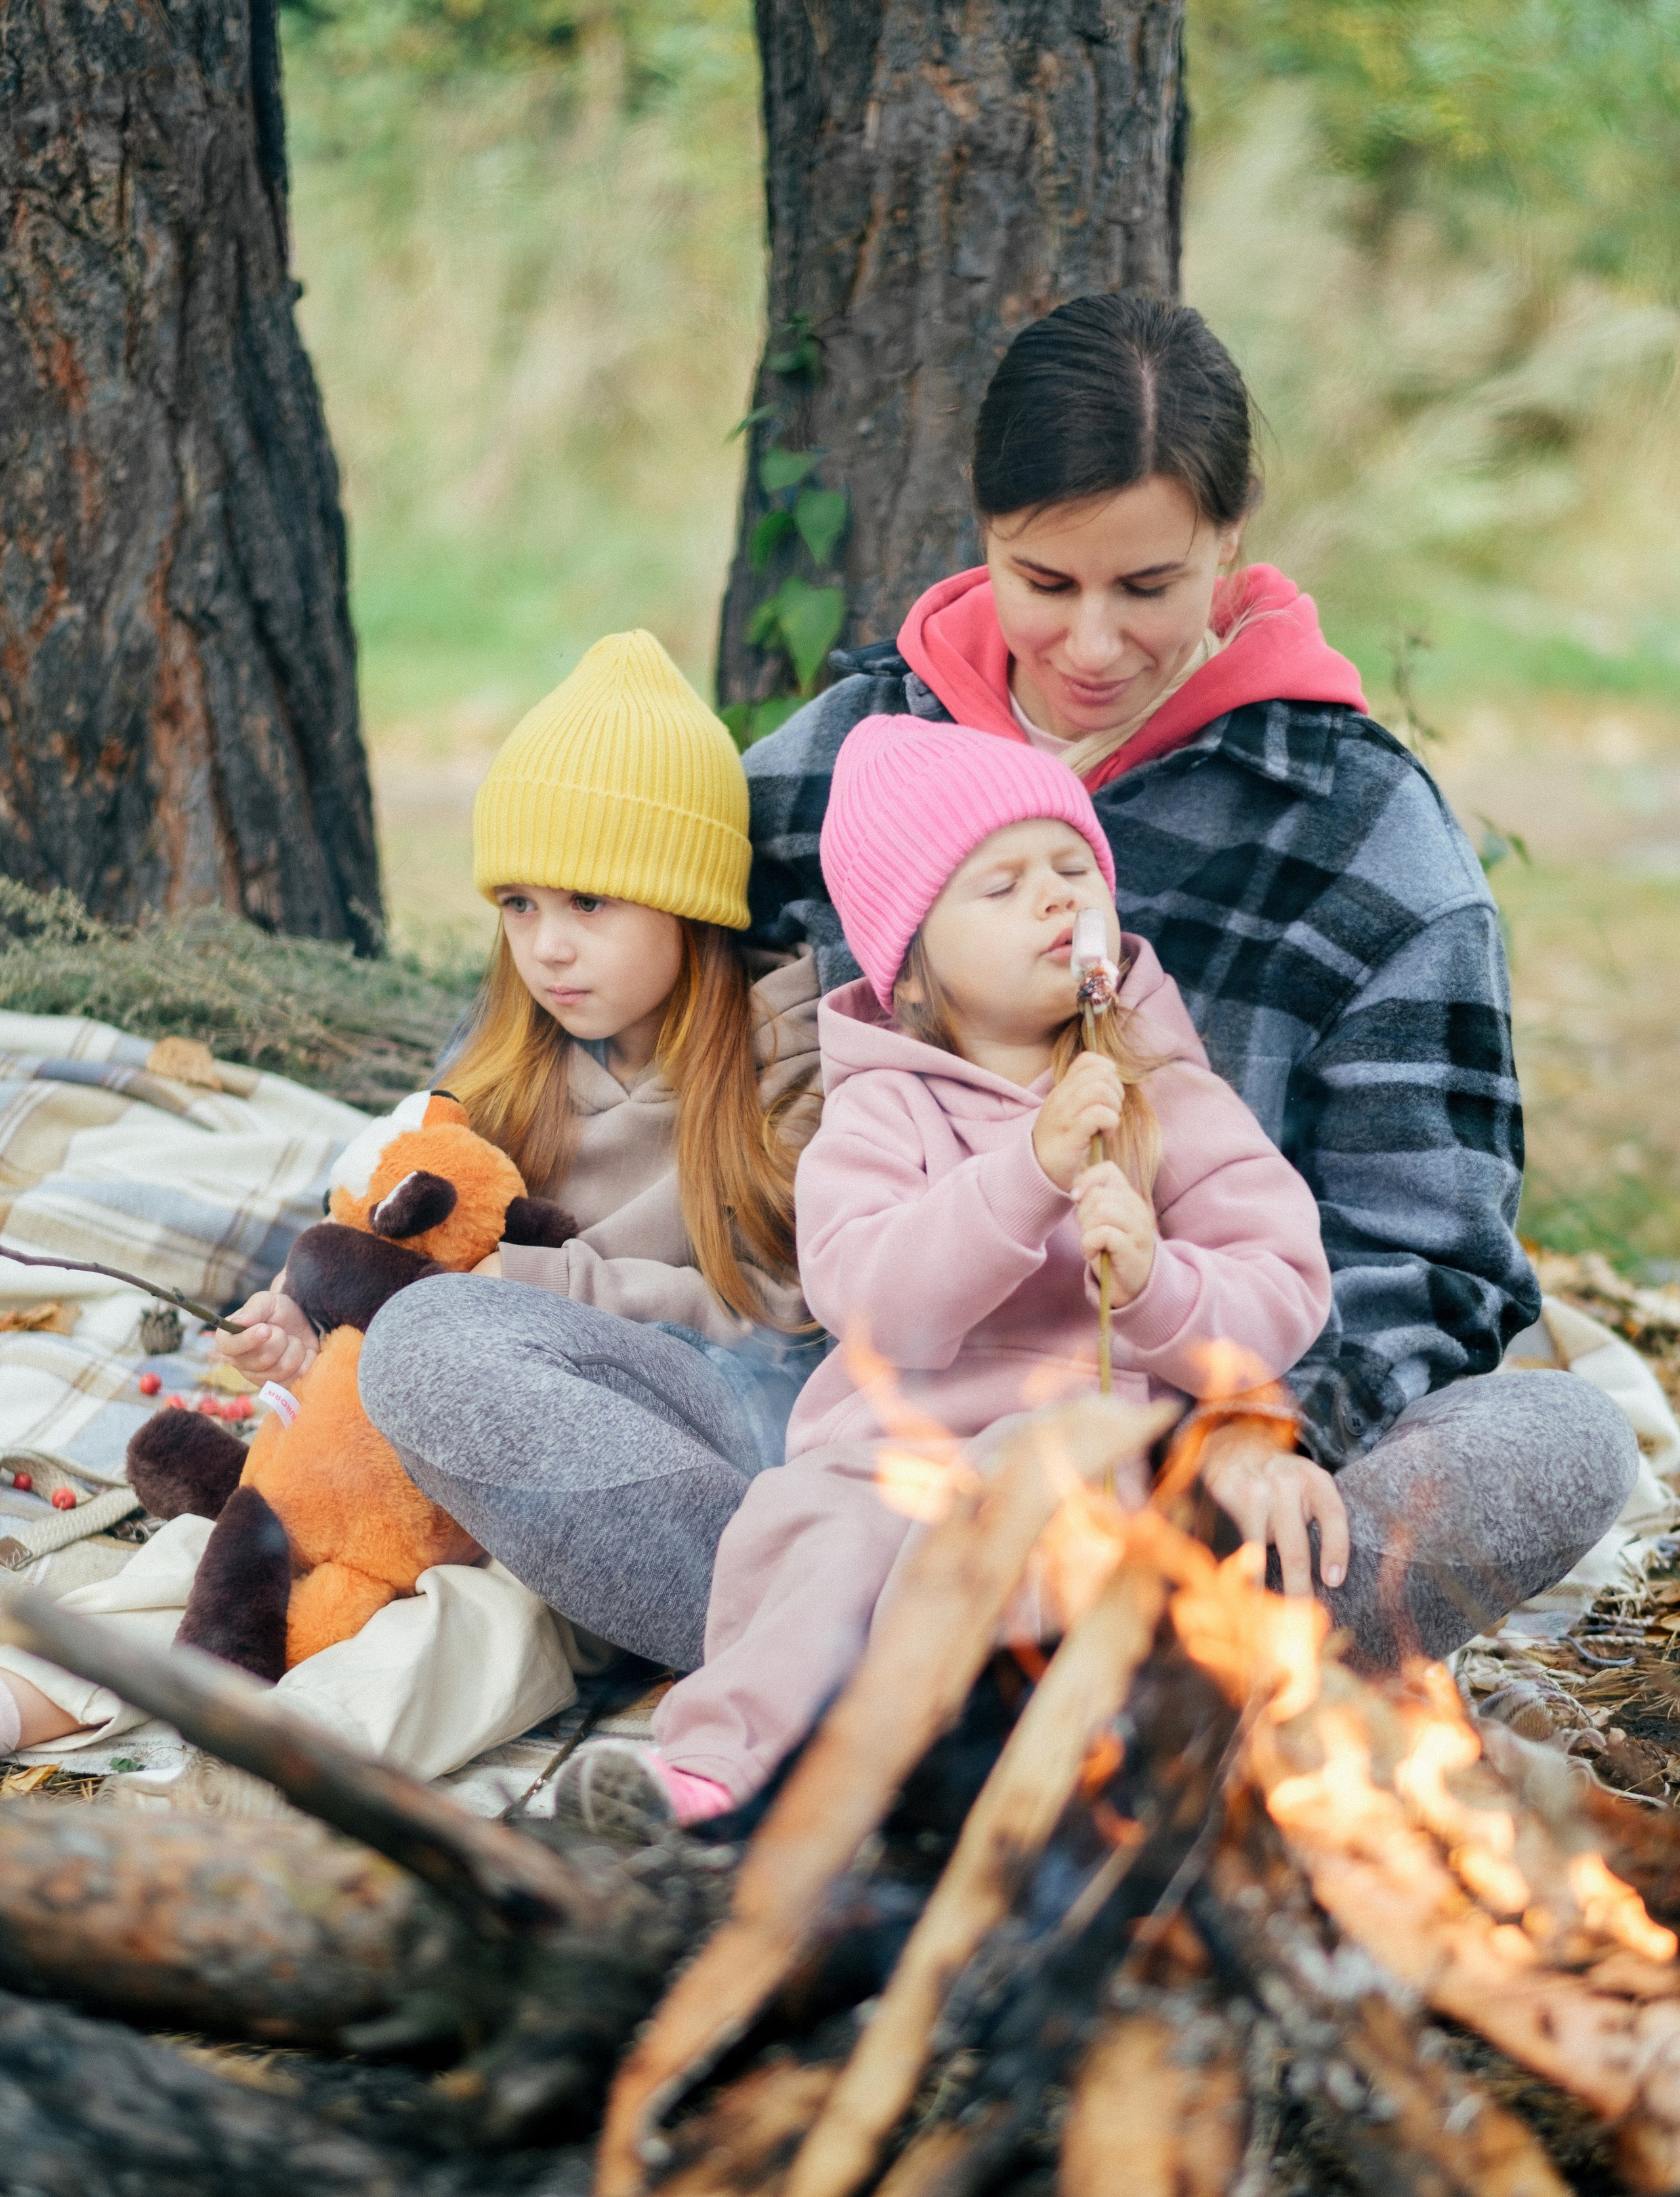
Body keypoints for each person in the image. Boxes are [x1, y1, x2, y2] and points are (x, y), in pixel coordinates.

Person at [740, 290, 1638, 1667]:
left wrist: (1261, 1434)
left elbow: (1433, 1251)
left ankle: (1022, 1648)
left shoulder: (1357, 827)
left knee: (1557, 1439)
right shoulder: (856, 751)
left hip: (1212, 1442)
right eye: (1043, 583)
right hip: (865, 1436)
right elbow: (602, 991)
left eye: (1147, 588)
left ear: (1231, 534)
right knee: (463, 1352)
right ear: (982, 533)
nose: (1091, 646)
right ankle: (901, 1621)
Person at [556, 715, 1332, 1833]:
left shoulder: (1168, 1091)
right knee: (816, 1535)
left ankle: (953, 1769)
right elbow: (871, 1307)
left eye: (1075, 870)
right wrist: (1026, 1173)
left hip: (1096, 1463)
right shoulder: (882, 1106)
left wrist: (1159, 1287)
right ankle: (716, 1775)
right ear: (911, 969)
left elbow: (1284, 1295)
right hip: (889, 1451)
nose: (1060, 902)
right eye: (1004, 887)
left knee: (1030, 1487)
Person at [240, 629, 820, 1679]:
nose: (547, 946)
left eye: (589, 902)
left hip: (712, 1423)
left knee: (426, 1351)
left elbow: (792, 1316)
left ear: (690, 903)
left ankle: (763, 1625)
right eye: (519, 905)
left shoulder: (785, 1053)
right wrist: (307, 1313)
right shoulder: (510, 1058)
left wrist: (548, 1286)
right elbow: (409, 1220)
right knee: (347, 1458)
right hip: (517, 1422)